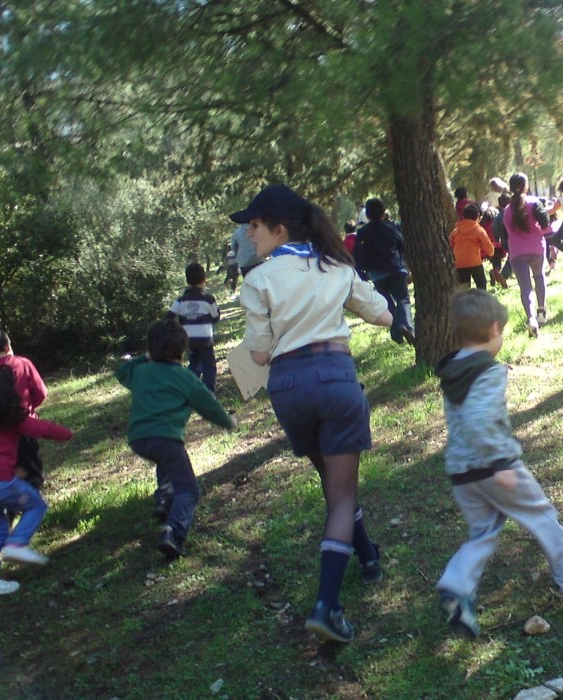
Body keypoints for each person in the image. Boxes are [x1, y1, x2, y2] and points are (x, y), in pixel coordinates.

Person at [232, 184, 393, 644]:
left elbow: (259, 356)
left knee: (332, 480)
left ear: (279, 228)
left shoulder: (257, 279)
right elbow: (380, 313)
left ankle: (367, 557)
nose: (249, 232)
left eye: (255, 224)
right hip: (335, 379)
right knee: (342, 495)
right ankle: (327, 605)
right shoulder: (335, 264)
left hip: (288, 389)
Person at [434, 290, 563, 636]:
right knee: (543, 518)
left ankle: (457, 585)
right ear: (494, 328)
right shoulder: (487, 372)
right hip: (496, 467)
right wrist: (500, 462)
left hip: (462, 473)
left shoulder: (452, 372)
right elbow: (480, 420)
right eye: (503, 332)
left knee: (484, 532)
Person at [116, 319, 237, 560]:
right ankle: (175, 532)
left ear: (152, 348)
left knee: (166, 464)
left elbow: (121, 372)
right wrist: (228, 422)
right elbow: (208, 404)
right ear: (183, 350)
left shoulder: (141, 372)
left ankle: (163, 499)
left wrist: (144, 358)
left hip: (139, 440)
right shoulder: (185, 377)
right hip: (167, 439)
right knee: (189, 490)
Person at [0, 364, 72, 596]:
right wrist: (66, 434)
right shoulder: (11, 420)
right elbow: (41, 428)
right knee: (36, 505)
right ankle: (18, 542)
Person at [0, 327, 48, 489]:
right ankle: (32, 505)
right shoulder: (23, 364)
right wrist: (29, 407)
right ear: (7, 346)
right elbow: (41, 392)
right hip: (25, 429)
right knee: (32, 473)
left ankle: (10, 505)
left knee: (8, 470)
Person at [353, 198, 416, 346]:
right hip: (396, 268)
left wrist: (363, 270)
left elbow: (357, 254)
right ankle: (407, 326)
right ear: (383, 213)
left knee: (387, 302)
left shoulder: (363, 232)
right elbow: (402, 245)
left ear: (367, 215)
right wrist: (406, 263)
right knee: (403, 299)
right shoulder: (392, 227)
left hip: (377, 273)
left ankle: (396, 332)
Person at [503, 172, 550, 337]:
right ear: (526, 186)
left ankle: (531, 319)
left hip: (516, 252)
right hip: (536, 248)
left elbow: (504, 233)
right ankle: (542, 313)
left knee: (525, 287)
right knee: (539, 277)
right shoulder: (533, 202)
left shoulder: (507, 210)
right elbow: (545, 223)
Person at [166, 263, 221, 393]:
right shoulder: (208, 299)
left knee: (195, 363)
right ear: (204, 279)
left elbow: (168, 316)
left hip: (188, 339)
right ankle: (209, 393)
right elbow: (216, 316)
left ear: (187, 281)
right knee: (209, 365)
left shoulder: (182, 300)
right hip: (205, 339)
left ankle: (187, 387)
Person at [450, 203, 494, 290]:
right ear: (478, 216)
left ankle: (465, 303)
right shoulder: (479, 230)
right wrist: (491, 253)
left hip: (459, 263)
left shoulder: (457, 230)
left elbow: (450, 243)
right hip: (475, 262)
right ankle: (481, 302)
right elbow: (489, 248)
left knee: (464, 288)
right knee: (481, 285)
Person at [479, 207, 507, 289]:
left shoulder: (482, 225)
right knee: (498, 264)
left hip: (488, 247)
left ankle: (494, 273)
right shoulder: (496, 223)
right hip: (498, 247)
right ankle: (495, 272)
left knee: (493, 261)